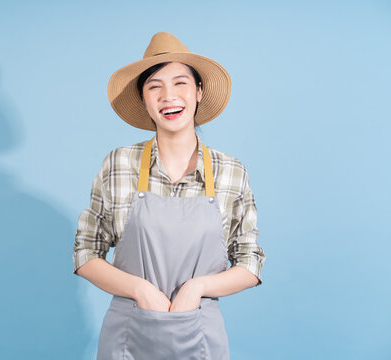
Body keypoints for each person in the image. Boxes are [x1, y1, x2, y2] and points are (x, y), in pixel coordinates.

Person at [72, 32, 266, 359]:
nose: (168, 96)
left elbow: (250, 263)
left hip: (200, 335)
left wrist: (197, 288)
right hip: (127, 336)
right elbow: (85, 252)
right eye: (154, 87)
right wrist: (140, 290)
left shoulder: (232, 172)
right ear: (144, 100)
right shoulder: (119, 163)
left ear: (198, 92)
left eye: (180, 83)